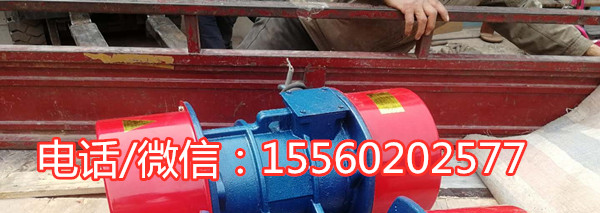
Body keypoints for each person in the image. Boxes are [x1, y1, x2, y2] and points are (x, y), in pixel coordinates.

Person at [238, 0, 600, 56]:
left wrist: (583, 50)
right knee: (232, 128)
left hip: (371, 60)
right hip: (300, 30)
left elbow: (519, 11)